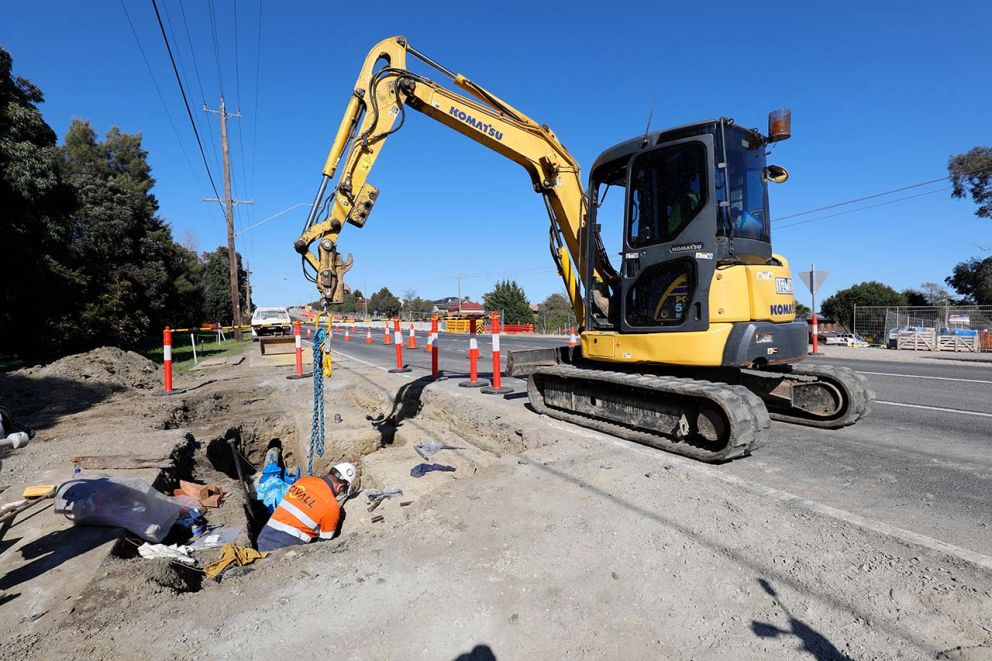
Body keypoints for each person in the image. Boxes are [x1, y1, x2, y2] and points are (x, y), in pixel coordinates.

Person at [256, 462, 356, 553]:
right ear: (341, 487)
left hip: (264, 537)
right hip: (284, 548)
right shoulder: (332, 506)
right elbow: (324, 544)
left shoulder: (303, 481)